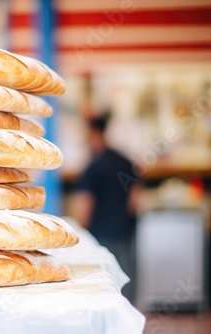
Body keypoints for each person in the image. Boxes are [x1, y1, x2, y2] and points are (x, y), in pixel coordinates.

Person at [70, 112, 140, 302]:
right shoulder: (125, 162)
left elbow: (83, 209)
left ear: (93, 133)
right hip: (125, 235)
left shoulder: (92, 168)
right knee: (126, 285)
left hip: (100, 237)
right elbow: (135, 203)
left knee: (106, 288)